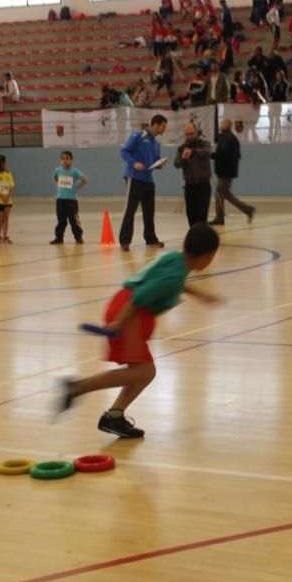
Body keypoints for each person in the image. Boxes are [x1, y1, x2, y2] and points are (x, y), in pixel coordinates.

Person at [58, 224, 221, 438]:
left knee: (143, 372)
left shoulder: (175, 260)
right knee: (145, 371)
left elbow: (171, 282)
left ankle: (114, 416)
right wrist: (119, 322)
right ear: (207, 255)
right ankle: (78, 387)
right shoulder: (174, 277)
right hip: (131, 312)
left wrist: (200, 295)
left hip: (127, 308)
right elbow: (141, 295)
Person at [119, 114, 167, 252]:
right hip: (134, 178)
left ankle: (151, 239)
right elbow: (124, 151)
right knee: (131, 210)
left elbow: (155, 160)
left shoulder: (156, 143)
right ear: (156, 124)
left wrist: (159, 164)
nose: (164, 130)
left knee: (149, 211)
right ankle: (125, 241)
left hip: (148, 180)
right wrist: (134, 163)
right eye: (163, 126)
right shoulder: (139, 135)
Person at [209, 118, 255, 226]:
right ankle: (246, 210)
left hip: (226, 171)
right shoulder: (228, 137)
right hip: (227, 171)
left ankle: (222, 217)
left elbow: (224, 154)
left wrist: (211, 155)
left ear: (227, 125)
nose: (220, 125)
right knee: (224, 194)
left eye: (222, 123)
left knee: (220, 193)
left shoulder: (227, 138)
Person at [175, 121, 212, 228]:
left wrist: (193, 152)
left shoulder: (205, 144)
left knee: (202, 214)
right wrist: (183, 158)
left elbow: (207, 153)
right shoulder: (181, 148)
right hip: (189, 186)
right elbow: (176, 164)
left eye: (191, 133)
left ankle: (201, 238)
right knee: (190, 214)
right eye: (187, 134)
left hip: (203, 185)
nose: (189, 136)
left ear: (196, 132)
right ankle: (194, 236)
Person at [50, 150, 87, 245]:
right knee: (61, 220)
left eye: (67, 159)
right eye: (63, 159)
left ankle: (78, 237)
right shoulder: (58, 170)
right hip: (60, 199)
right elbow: (54, 177)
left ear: (71, 160)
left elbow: (84, 180)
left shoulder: (74, 171)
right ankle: (59, 237)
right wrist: (57, 186)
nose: (65, 161)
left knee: (73, 220)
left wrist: (77, 188)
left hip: (71, 200)